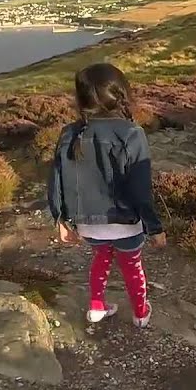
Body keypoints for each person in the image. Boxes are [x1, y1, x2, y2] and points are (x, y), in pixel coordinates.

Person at [47, 62, 166, 329]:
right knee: (132, 267)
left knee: (100, 260)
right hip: (126, 223)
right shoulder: (131, 133)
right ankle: (140, 313)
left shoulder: (70, 133)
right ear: (121, 94)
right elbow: (140, 189)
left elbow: (56, 180)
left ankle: (97, 307)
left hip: (88, 224)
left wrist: (61, 220)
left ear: (81, 99)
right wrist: (154, 227)